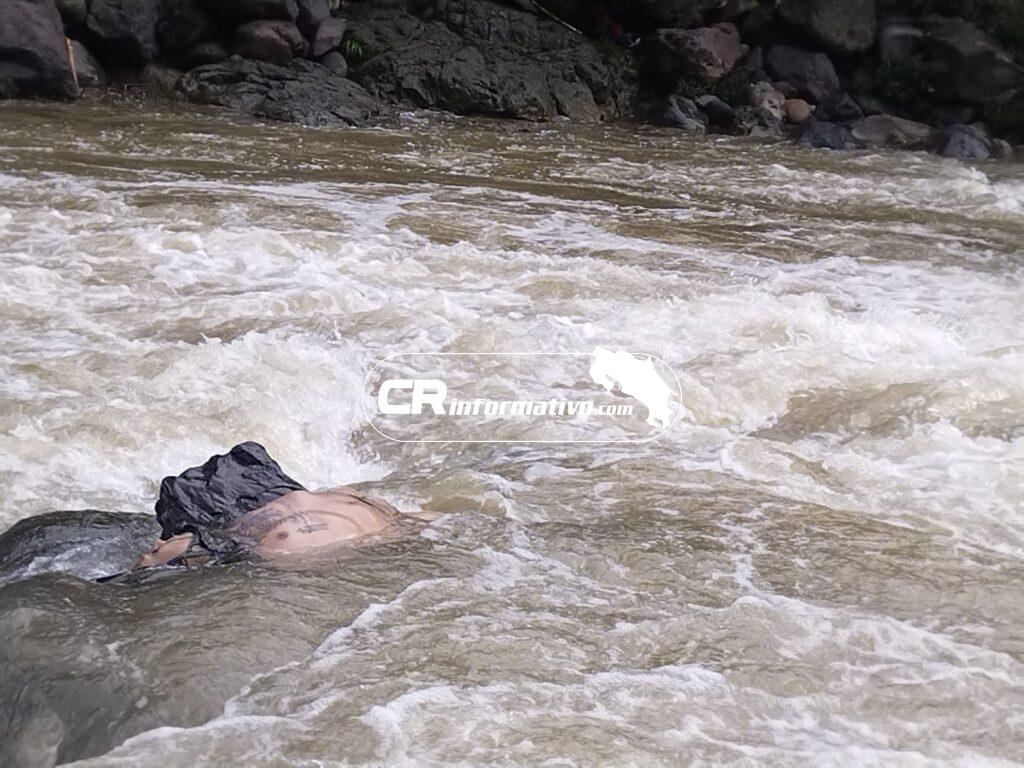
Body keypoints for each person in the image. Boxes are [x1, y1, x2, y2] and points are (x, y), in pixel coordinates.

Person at [128, 442, 410, 574]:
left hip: (288, 553)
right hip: (365, 526)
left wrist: (153, 556)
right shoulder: (347, 496)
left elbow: (145, 564)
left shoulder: (228, 534)